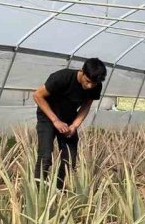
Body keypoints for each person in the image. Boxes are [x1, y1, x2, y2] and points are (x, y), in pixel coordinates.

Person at [32, 58, 106, 187]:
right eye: (88, 81)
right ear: (82, 72)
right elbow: (38, 95)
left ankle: (58, 190)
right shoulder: (62, 77)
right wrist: (55, 120)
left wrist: (74, 126)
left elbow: (86, 105)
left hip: (69, 119)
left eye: (93, 84)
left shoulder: (96, 85)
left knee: (69, 159)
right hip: (48, 117)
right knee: (45, 156)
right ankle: (38, 193)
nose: (90, 86)